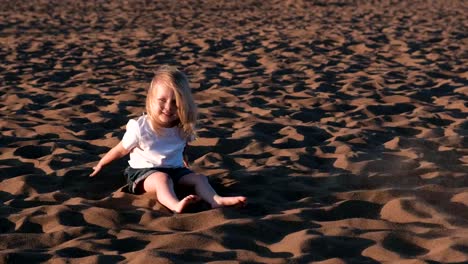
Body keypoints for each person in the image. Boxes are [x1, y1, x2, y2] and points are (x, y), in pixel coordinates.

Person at [89, 65, 246, 213]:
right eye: (162, 100)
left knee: (200, 178)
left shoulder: (183, 127)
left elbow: (181, 147)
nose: (168, 107)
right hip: (144, 173)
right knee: (161, 179)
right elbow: (121, 149)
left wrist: (183, 160)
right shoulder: (141, 127)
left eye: (175, 102)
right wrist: (101, 164)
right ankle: (175, 205)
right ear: (151, 99)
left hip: (175, 170)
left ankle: (215, 200)